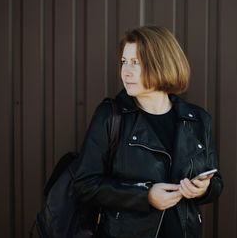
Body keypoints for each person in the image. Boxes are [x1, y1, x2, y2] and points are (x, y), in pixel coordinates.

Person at [73, 26, 223, 238]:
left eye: (136, 63)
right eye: (124, 62)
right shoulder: (110, 115)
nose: (126, 71)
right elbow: (85, 184)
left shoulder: (198, 119)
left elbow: (216, 182)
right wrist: (145, 196)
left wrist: (203, 189)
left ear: (162, 64)